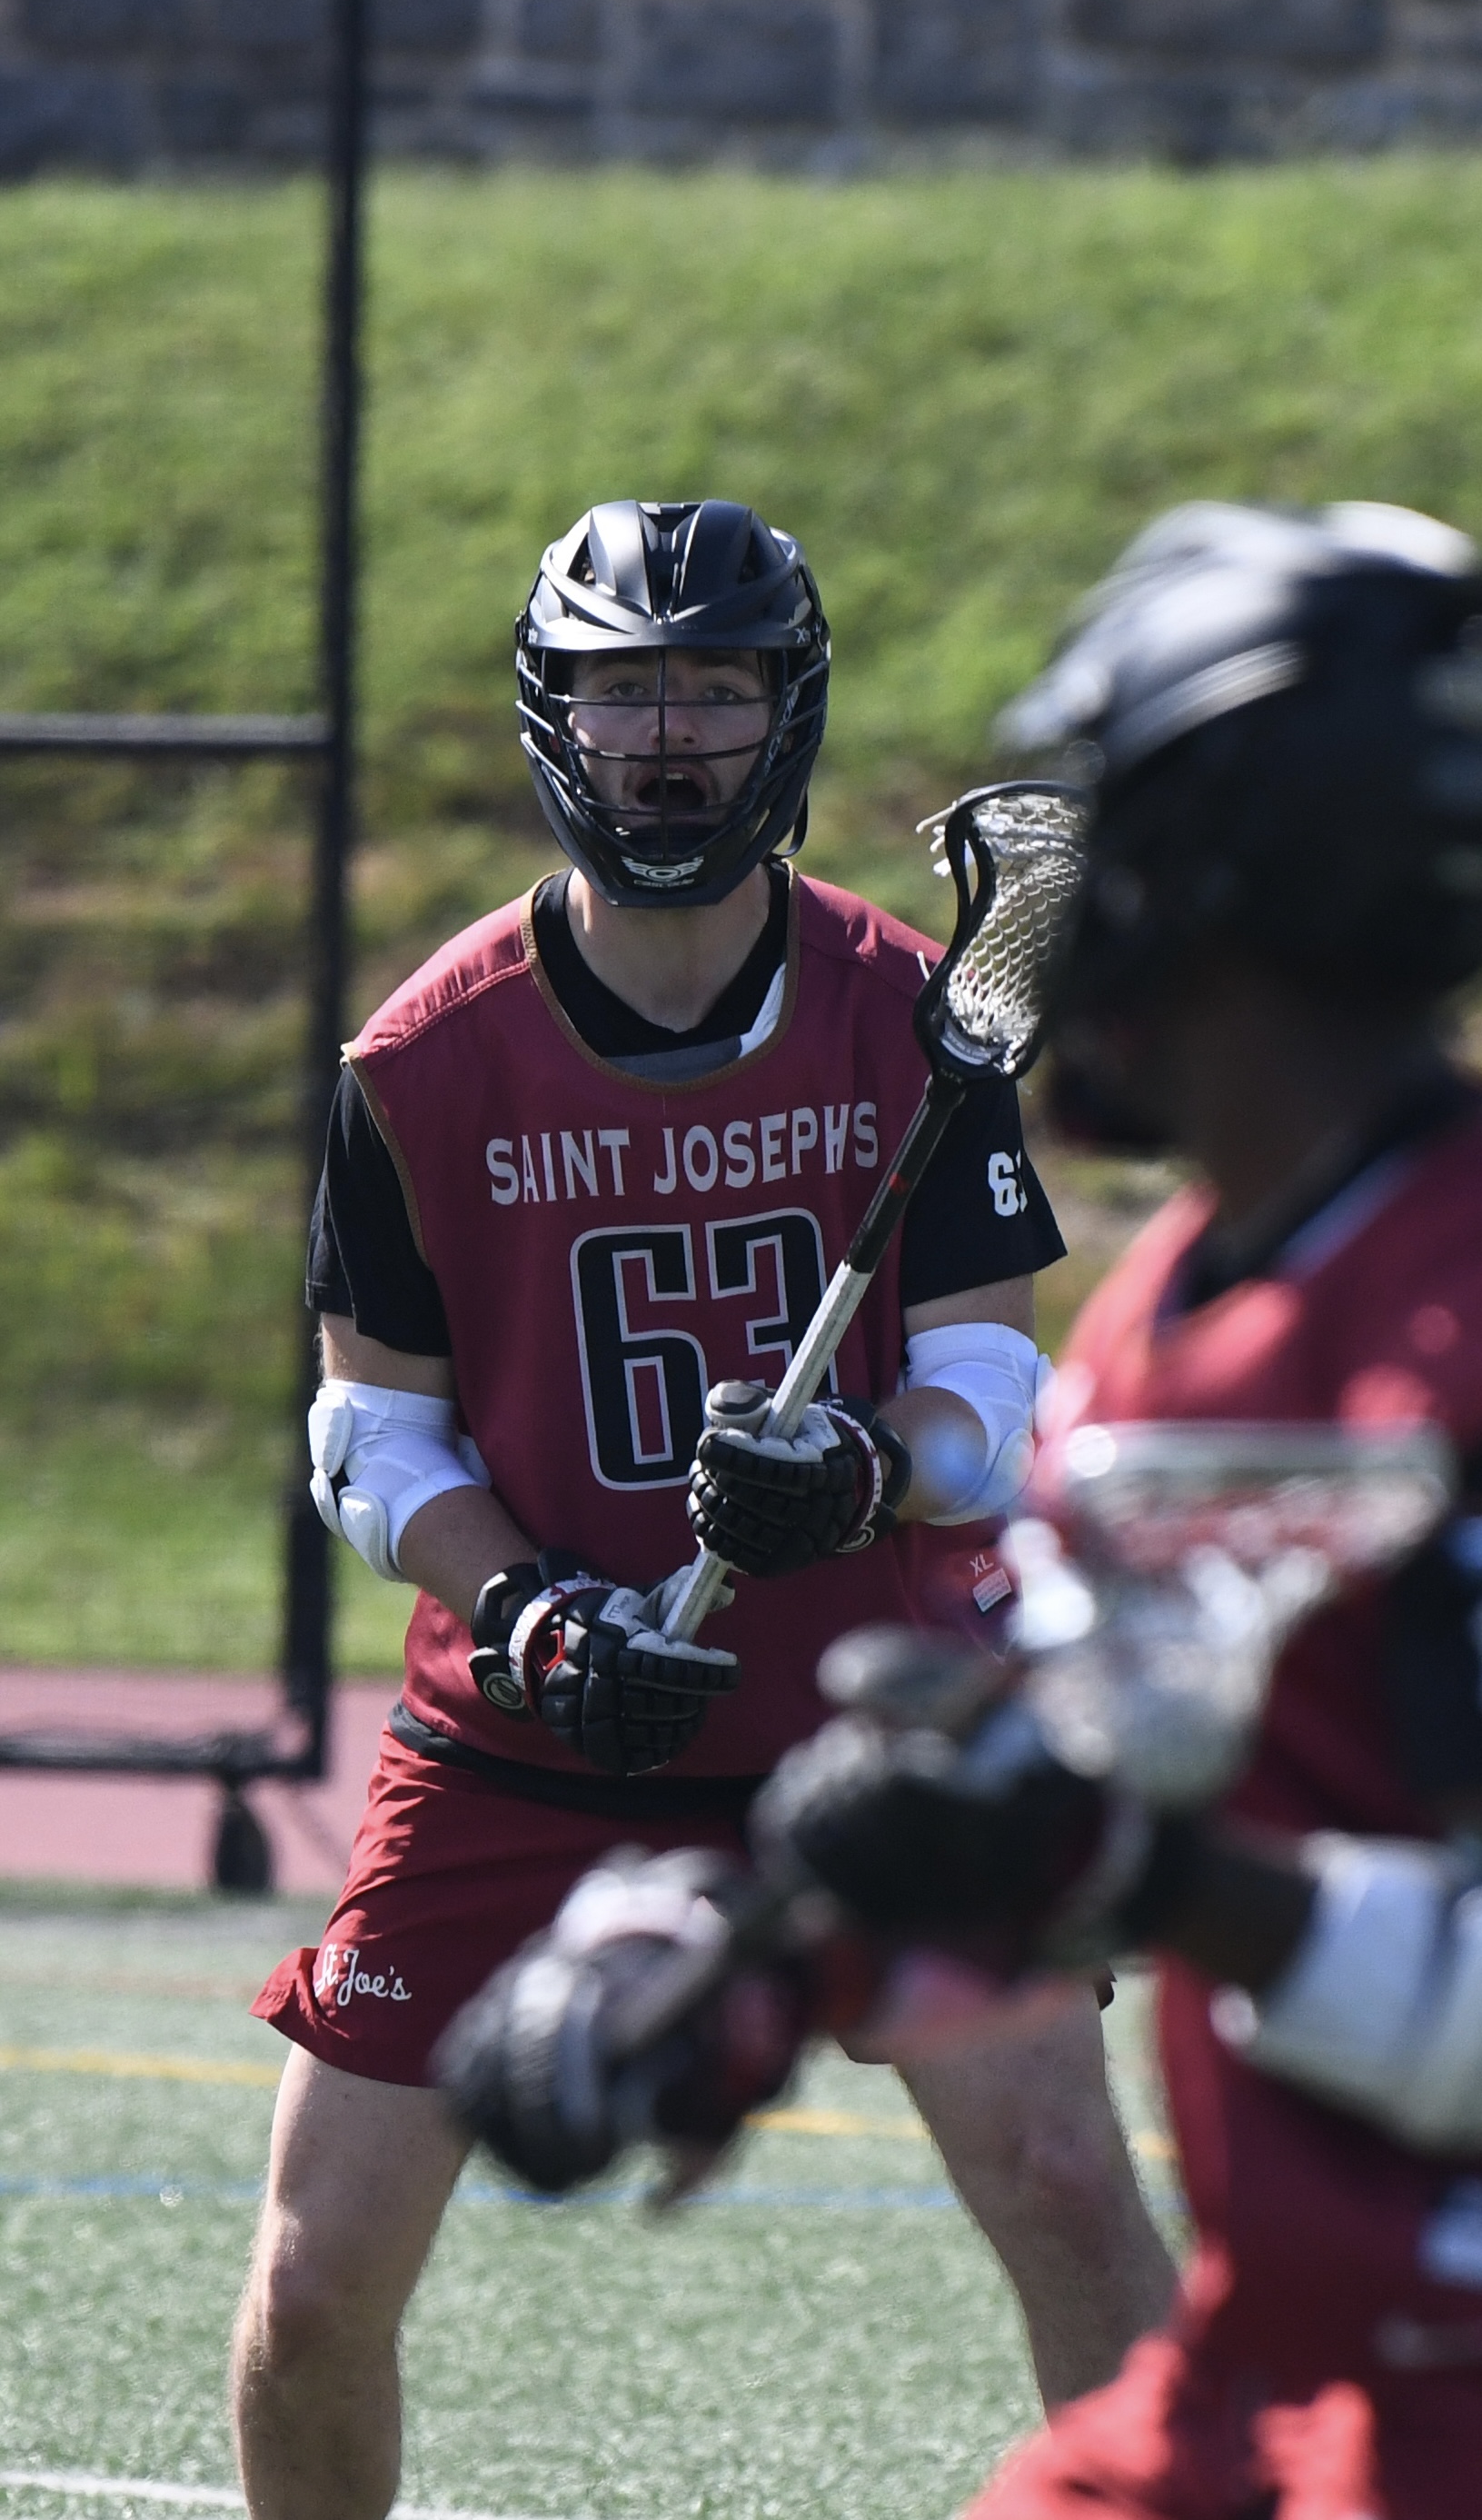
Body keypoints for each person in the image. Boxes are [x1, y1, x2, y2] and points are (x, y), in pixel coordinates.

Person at [483, 499, 1482, 2518]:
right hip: (1290, 2368)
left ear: (1219, 864)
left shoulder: (1443, 1333)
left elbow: (1161, 1856)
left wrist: (1161, 1876)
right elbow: (1073, 1773)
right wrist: (757, 1945)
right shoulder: (1172, 1317)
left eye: (1114, 808)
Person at [232, 496, 1171, 2520]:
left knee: (1077, 2195)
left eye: (714, 688)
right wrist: (537, 1621)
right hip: (527, 1738)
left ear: (784, 714)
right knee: (313, 2287)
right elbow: (369, 1437)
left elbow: (994, 1385)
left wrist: (860, 1470)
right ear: (551, 713)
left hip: (873, 1732)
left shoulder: (918, 1018)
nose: (670, 735)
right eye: (624, 687)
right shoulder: (420, 1058)